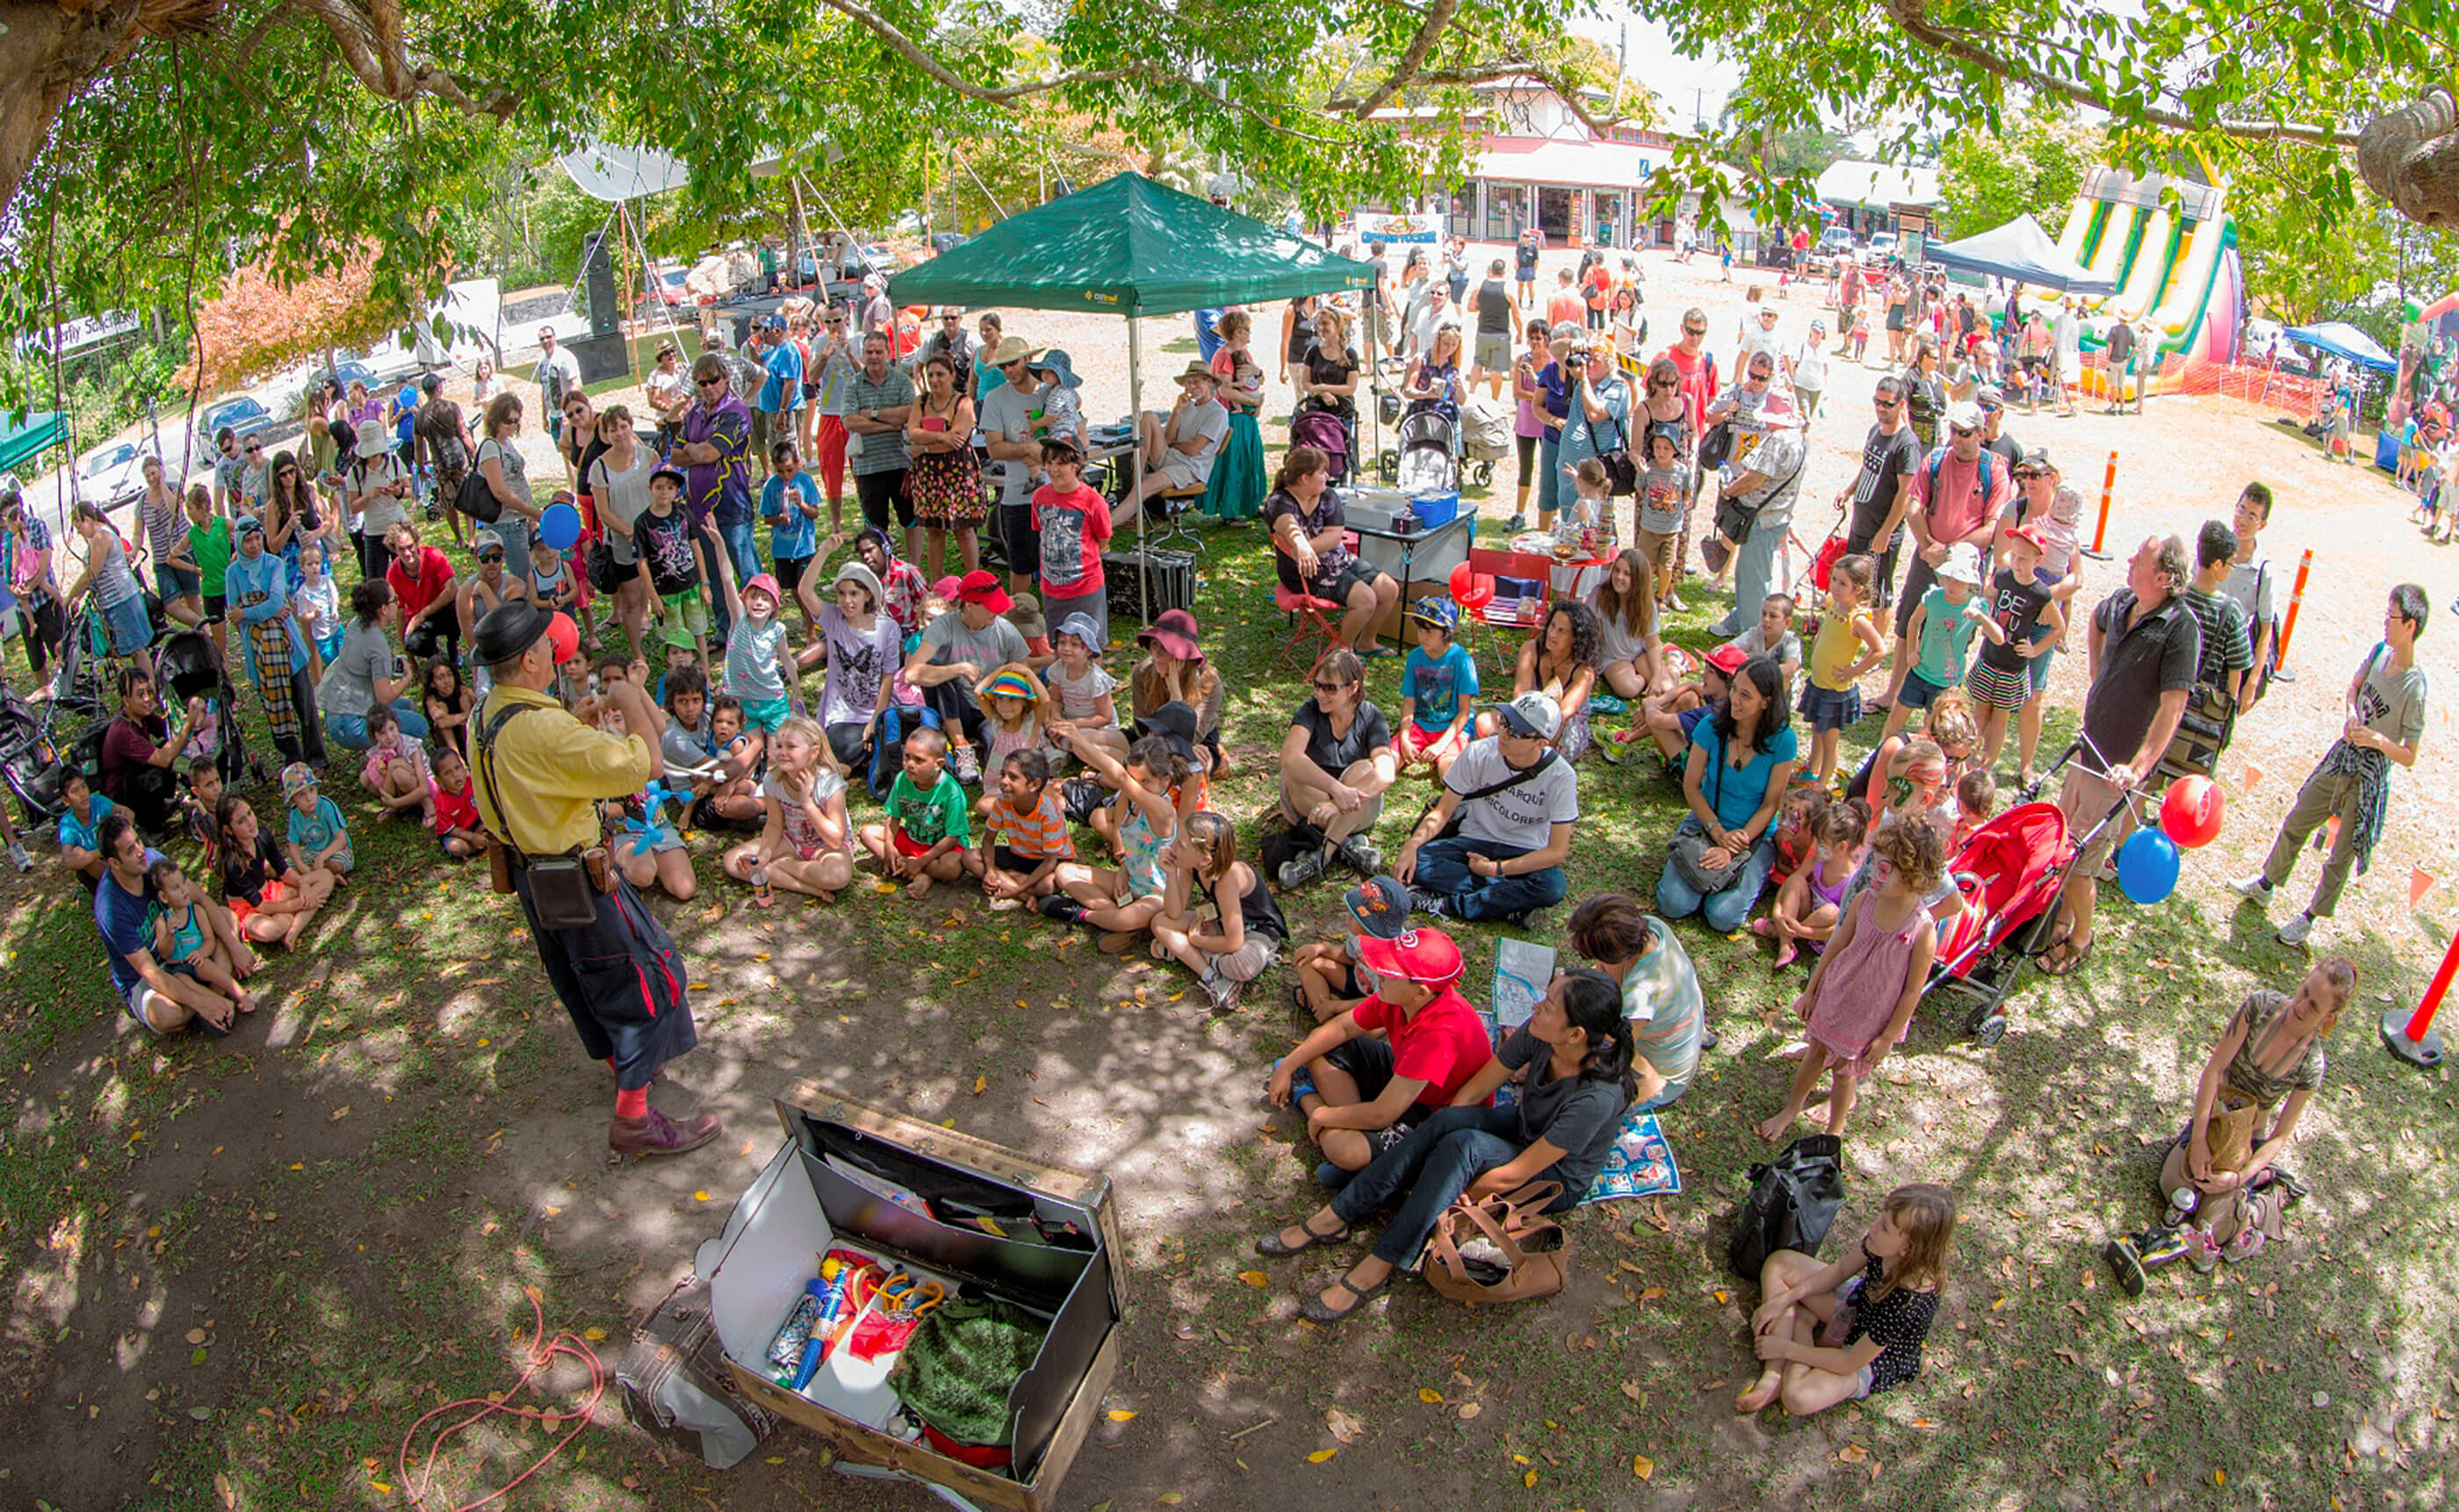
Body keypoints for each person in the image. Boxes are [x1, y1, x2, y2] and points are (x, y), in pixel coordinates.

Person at [468, 599, 720, 1156]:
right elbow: (648, 765)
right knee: (649, 976)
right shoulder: (541, 729)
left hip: (532, 879)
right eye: (544, 647)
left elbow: (537, 779)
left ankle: (622, 1068)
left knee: (582, 978)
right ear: (532, 659)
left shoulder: (483, 717)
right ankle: (634, 1118)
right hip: (577, 878)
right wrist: (630, 698)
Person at [1258, 958, 1633, 1324]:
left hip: (1551, 1176)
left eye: (1548, 1005)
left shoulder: (1596, 1097)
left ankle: (1377, 1266)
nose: (1536, 1006)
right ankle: (1335, 1217)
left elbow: (1516, 1173)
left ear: (1575, 1035)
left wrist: (1452, 1193)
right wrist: (1434, 1162)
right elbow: (1474, 1093)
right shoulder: (1539, 1034)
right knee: (1452, 1122)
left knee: (1463, 1146)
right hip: (1521, 1130)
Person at [2233, 586, 2428, 949]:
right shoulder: (2378, 653)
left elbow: (2409, 755)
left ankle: (2309, 917)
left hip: (2370, 776)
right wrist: (2352, 713)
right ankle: (2267, 884)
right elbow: (2354, 689)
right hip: (2343, 756)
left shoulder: (2415, 687)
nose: (2385, 622)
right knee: (2299, 817)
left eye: (2392, 617)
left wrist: (2376, 740)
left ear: (2411, 625)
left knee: (2340, 856)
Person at [2041, 536, 2200, 976]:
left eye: (2140, 558)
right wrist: (2098, 677)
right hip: (2085, 750)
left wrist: (2138, 767)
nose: (2128, 559)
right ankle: (2059, 919)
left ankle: (2080, 938)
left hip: (2115, 770)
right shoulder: (2123, 602)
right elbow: (2094, 621)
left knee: (2082, 862)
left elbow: (2173, 707)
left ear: (2165, 577)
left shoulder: (2179, 627)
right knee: (2062, 846)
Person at [2155, 960, 2355, 1269]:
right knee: (2174, 1188)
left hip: (2246, 1142)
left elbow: (2281, 1135)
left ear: (2328, 1017)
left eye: (2314, 1006)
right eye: (2304, 991)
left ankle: (2262, 1204)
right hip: (2212, 1121)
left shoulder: (2311, 1064)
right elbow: (2214, 1070)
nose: (2301, 1005)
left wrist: (2239, 1176)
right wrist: (2197, 1140)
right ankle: (2235, 1188)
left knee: (2213, 1225)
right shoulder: (2259, 1006)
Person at [1757, 816, 1942, 1140]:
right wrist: (1811, 991)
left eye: (1885, 870)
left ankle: (1834, 1131)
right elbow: (1835, 947)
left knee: (1845, 1074)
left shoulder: (1922, 930)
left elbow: (1913, 991)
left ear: (1913, 878)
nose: (1874, 874)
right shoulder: (1864, 901)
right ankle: (1791, 1109)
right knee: (1815, 1054)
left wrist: (1887, 1037)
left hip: (1869, 1017)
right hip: (1836, 994)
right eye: (1874, 864)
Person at [1264, 924, 1493, 1178]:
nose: (1378, 973)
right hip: (1405, 1082)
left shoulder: (1439, 1034)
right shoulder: (1396, 997)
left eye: (1390, 972)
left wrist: (1321, 1115)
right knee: (1318, 1049)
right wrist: (1288, 1065)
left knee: (1346, 1151)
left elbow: (1381, 1114)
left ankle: (1309, 1099)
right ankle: (1360, 1145)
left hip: (1435, 1113)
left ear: (1420, 993)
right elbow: (1341, 1028)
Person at [1735, 1183, 1957, 1417]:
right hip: (1858, 1306)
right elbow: (1840, 1271)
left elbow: (1850, 1361)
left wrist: (1790, 1348)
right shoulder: (1880, 1244)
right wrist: (1787, 1298)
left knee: (1797, 1398)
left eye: (1884, 1227)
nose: (1874, 1226)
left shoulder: (1907, 1303)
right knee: (1780, 1264)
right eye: (1881, 1216)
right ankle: (1775, 1374)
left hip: (1870, 1356)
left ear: (1907, 1249)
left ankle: (1801, 1326)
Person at [1396, 691, 1578, 924]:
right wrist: (1412, 845)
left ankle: (1450, 904)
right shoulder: (1479, 752)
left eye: (1516, 732)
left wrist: (1495, 870)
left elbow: (1556, 852)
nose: (1504, 733)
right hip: (1474, 840)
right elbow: (1442, 813)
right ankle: (1510, 902)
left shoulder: (1561, 776)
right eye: (1504, 722)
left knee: (1552, 887)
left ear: (1541, 743)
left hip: (1525, 850)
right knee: (1419, 861)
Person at [1657, 656, 1799, 932]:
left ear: (1766, 702)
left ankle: (1748, 873)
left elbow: (1771, 804)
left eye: (1745, 695)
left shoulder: (1783, 739)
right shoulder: (1711, 726)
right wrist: (1717, 832)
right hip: (1706, 820)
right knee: (1673, 904)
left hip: (1752, 834)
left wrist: (1734, 844)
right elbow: (1691, 786)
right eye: (1735, 689)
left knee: (1723, 917)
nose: (1735, 699)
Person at [94, 812, 254, 1033]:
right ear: (114, 862)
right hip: (149, 973)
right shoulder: (111, 908)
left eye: (138, 841)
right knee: (164, 1014)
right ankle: (211, 997)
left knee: (224, 917)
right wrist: (200, 1002)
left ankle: (209, 999)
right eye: (130, 850)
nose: (141, 852)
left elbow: (200, 898)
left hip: (184, 947)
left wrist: (235, 946)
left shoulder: (152, 861)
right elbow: (150, 972)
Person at [1568, 892, 1705, 1108]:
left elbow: (1613, 1050)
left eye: (1597, 957)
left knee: (1579, 1092)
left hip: (1662, 1077)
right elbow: (1604, 972)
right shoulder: (1651, 928)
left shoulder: (1641, 995)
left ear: (1619, 956)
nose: (1595, 964)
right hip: (1668, 1037)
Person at [1275, 646, 1397, 889]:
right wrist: (1336, 790)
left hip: (1352, 809)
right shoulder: (1310, 711)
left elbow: (1386, 771)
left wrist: (1335, 804)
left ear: (1353, 688)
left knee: (1365, 769)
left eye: (1330, 687)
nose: (1320, 693)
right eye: (1317, 685)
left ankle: (1323, 854)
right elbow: (1289, 757)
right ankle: (1349, 846)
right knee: (1293, 771)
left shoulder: (1371, 716)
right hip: (1310, 806)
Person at [1892, 400, 2012, 640]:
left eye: (1964, 433)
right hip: (1926, 560)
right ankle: (1899, 679)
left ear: (1981, 434)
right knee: (1908, 630)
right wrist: (1930, 550)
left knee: (1952, 638)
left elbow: (1991, 530)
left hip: (1965, 567)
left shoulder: (1995, 473)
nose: (1956, 438)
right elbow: (1913, 509)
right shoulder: (1935, 460)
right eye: (1953, 430)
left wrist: (1946, 552)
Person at [1263, 445, 1400, 655]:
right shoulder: (1280, 502)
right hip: (1302, 570)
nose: (1327, 475)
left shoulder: (1328, 496)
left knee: (1389, 589)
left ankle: (1367, 642)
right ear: (1304, 478)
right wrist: (1300, 546)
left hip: (1336, 559)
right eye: (1321, 472)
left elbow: (1334, 535)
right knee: (1366, 600)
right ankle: (1341, 652)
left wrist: (1306, 547)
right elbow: (1290, 528)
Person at [904, 570, 1035, 784]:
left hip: (991, 706)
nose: (998, 611)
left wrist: (996, 681)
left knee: (1004, 752)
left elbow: (1024, 672)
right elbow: (912, 673)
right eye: (991, 606)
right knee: (937, 670)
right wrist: (958, 669)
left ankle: (984, 751)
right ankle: (962, 746)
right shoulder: (944, 626)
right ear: (970, 606)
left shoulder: (1005, 630)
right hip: (954, 706)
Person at [1150, 810, 1287, 1012]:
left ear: (1205, 860)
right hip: (1223, 925)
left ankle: (1186, 952)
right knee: (1160, 922)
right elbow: (1173, 913)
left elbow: (1234, 943)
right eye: (1176, 840)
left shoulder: (1228, 878)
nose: (1171, 848)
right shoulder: (1191, 866)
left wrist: (1196, 941)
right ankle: (1215, 978)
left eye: (1181, 845)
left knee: (1241, 964)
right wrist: (1171, 874)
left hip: (1257, 934)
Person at [1705, 406, 1808, 640]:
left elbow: (1755, 478)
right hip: (1775, 516)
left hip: (1762, 518)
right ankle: (1739, 619)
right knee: (1749, 573)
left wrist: (1730, 490)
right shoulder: (1799, 439)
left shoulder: (1778, 440)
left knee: (1753, 579)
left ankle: (1750, 633)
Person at [227, 515, 324, 765]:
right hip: (259, 653)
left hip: (288, 646)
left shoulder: (274, 564)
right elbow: (234, 613)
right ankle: (292, 760)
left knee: (304, 703)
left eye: (257, 538)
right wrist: (268, 610)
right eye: (247, 540)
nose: (254, 545)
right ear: (239, 542)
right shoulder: (233, 573)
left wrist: (249, 612)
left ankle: (316, 757)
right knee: (275, 707)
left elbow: (271, 601)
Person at [1876, 543, 1991, 745]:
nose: (1953, 585)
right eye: (1950, 579)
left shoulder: (1976, 606)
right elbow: (1914, 622)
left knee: (1931, 729)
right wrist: (1912, 651)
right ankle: (1879, 753)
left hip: (1946, 680)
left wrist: (1982, 618)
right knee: (1895, 718)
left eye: (1960, 580)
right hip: (1920, 671)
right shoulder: (1934, 597)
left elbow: (1997, 637)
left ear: (1971, 584)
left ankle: (1921, 760)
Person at [1967, 527, 2062, 772]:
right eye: (2014, 555)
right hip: (1989, 657)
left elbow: (2058, 628)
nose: (2016, 563)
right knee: (1980, 713)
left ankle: (1985, 767)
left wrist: (2035, 650)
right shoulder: (2004, 576)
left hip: (2012, 667)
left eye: (2023, 558)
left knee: (2000, 720)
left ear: (2037, 560)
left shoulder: (2041, 593)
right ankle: (1969, 761)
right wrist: (1986, 609)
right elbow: (1990, 595)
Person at [675, 352, 756, 630]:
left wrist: (694, 449)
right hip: (699, 508)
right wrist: (692, 450)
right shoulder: (694, 415)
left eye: (712, 381)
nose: (708, 388)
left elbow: (710, 454)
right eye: (701, 383)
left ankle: (759, 627)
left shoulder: (736, 412)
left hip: (732, 504)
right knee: (715, 572)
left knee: (745, 569)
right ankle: (727, 629)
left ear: (725, 379)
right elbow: (674, 456)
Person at [213, 790, 335, 950]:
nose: (250, 822)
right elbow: (260, 906)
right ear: (229, 830)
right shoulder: (233, 864)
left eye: (249, 814)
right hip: (249, 907)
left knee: (326, 876)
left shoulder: (262, 836)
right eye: (241, 821)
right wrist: (298, 904)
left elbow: (283, 870)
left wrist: (303, 883)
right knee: (270, 930)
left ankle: (294, 930)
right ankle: (296, 915)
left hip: (270, 891)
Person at [321, 577, 431, 752]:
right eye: (394, 600)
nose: (398, 603)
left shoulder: (356, 624)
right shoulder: (376, 643)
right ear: (383, 609)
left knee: (407, 706)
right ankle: (388, 762)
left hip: (337, 713)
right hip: (351, 723)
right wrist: (407, 678)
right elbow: (385, 697)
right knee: (420, 726)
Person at [1490, 599, 1602, 765]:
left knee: (1552, 755)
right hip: (1526, 715)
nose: (1553, 634)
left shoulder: (1584, 672)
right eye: (1552, 626)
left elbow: (1563, 715)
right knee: (1485, 723)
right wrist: (1517, 735)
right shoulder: (1530, 650)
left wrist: (1534, 747)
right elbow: (1519, 697)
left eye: (1562, 631)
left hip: (1561, 727)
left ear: (1575, 638)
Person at [588, 407, 658, 659]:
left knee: (666, 592)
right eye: (612, 429)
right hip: (623, 541)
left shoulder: (650, 456)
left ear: (631, 426)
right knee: (630, 599)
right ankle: (637, 654)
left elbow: (662, 494)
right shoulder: (599, 467)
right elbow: (603, 511)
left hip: (655, 538)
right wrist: (630, 532)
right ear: (606, 434)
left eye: (623, 426)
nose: (619, 433)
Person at [842, 332, 919, 562]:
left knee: (911, 519)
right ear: (862, 354)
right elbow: (849, 421)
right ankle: (881, 572)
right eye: (869, 352)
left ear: (888, 353)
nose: (873, 356)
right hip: (868, 466)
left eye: (878, 352)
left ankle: (913, 568)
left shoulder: (902, 381)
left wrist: (873, 415)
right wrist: (890, 425)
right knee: (876, 527)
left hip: (901, 462)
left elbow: (910, 412)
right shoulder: (853, 384)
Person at [972, 746, 1073, 911]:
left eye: (1013, 777)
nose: (1004, 781)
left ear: (1034, 785)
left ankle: (1010, 880)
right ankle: (1025, 894)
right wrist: (990, 870)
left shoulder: (1048, 813)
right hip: (1019, 855)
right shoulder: (1001, 803)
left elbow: (1049, 863)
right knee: (970, 857)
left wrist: (1015, 888)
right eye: (1003, 774)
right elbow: (988, 841)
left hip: (1048, 861)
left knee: (1050, 885)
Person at [1129, 363, 1230, 521]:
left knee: (1141, 490)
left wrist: (1175, 446)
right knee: (1147, 416)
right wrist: (1177, 410)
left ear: (1209, 382)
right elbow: (1167, 439)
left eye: (1197, 382)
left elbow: (1193, 450)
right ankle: (1138, 476)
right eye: (1188, 383)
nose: (1191, 387)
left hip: (1189, 468)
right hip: (1170, 458)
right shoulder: (1188, 405)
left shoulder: (1217, 412)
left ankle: (1104, 527)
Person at [1393, 597, 1478, 781]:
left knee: (1449, 772)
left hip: (1452, 727)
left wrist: (1440, 746)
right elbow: (1408, 703)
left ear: (1446, 632)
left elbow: (1464, 712)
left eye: (1429, 631)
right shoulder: (1414, 657)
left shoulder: (1462, 661)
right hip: (1419, 725)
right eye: (1420, 630)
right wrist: (1405, 738)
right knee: (1389, 760)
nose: (1422, 636)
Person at [2217, 482, 2280, 709]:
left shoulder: (2263, 571)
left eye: (2252, 516)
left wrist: (2253, 680)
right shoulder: (2216, 546)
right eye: (2241, 509)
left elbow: (2266, 631)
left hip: (2231, 659)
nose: (2242, 520)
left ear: (2262, 525)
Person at [472, 393, 542, 571]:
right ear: (496, 420)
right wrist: (532, 512)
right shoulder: (490, 447)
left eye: (516, 420)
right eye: (508, 420)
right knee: (522, 579)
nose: (512, 425)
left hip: (520, 520)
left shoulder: (506, 443)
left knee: (530, 575)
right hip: (507, 524)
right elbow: (500, 491)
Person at [532, 327, 582, 443]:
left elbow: (577, 384)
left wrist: (569, 411)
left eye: (548, 337)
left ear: (555, 337)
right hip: (554, 416)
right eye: (542, 339)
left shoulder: (564, 357)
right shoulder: (542, 362)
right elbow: (545, 389)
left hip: (568, 414)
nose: (545, 341)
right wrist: (544, 416)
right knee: (563, 449)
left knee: (574, 450)